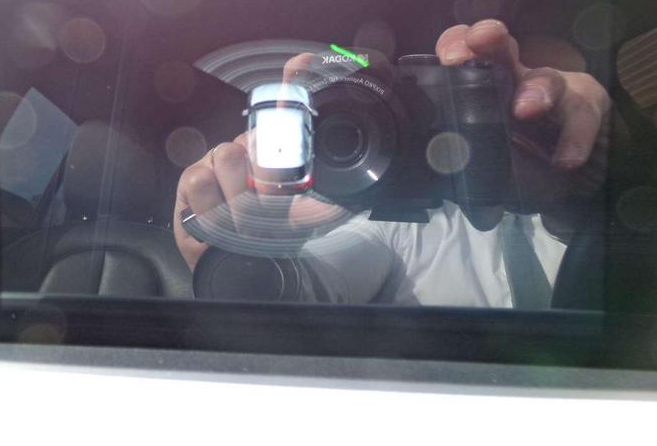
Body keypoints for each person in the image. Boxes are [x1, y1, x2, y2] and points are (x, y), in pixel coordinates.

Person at [173, 19, 613, 308]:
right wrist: (247, 258)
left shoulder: (586, 206)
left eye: (514, 86)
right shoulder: (382, 226)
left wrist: (602, 179)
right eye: (335, 123)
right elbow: (313, 289)